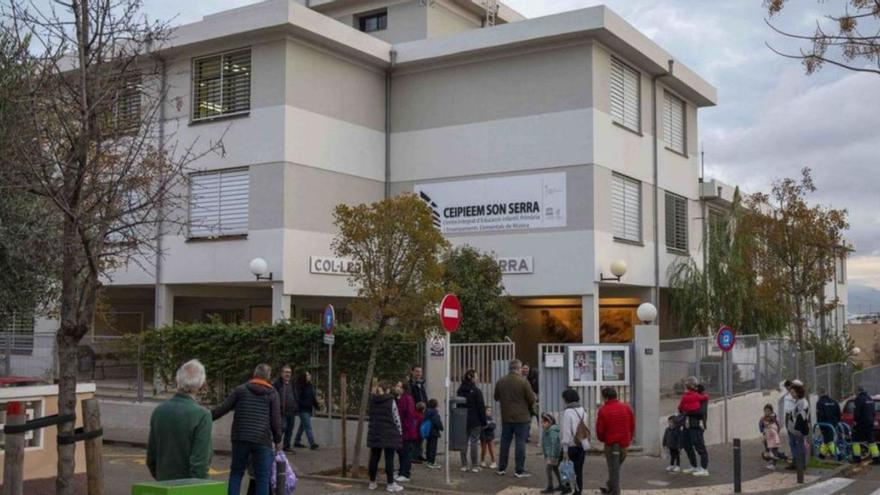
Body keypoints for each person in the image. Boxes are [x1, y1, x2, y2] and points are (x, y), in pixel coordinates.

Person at [212, 363, 282, 495]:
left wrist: (205, 417)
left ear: (254, 374)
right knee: (262, 477)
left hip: (240, 437)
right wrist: (278, 440)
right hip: (262, 440)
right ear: (268, 377)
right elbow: (275, 420)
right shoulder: (272, 394)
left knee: (237, 473)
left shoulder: (241, 390)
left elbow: (223, 408)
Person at [147, 359, 212, 481]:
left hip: (163, 483)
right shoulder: (202, 415)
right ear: (201, 385)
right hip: (188, 486)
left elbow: (151, 457)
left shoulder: (159, 411)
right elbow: (200, 464)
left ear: (177, 380)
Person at [494, 359, 537, 478]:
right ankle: (519, 470)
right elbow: (532, 400)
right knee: (520, 443)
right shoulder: (523, 382)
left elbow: (496, 397)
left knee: (505, 442)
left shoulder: (501, 381)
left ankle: (501, 468)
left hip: (506, 417)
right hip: (522, 418)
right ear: (518, 369)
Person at [596, 387, 635, 495]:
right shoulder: (626, 408)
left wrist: (603, 439)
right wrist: (629, 438)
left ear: (606, 397)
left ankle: (613, 489)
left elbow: (600, 429)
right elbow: (632, 425)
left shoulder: (603, 410)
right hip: (623, 443)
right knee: (616, 467)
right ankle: (611, 488)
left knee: (612, 467)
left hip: (610, 443)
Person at [367, 381, 404, 492]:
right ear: (387, 390)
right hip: (389, 433)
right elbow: (396, 416)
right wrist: (400, 432)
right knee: (389, 459)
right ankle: (390, 484)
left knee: (374, 458)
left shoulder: (372, 400)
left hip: (375, 432)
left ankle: (372, 482)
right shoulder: (390, 401)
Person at [678, 376, 709, 477]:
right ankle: (694, 465)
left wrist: (688, 412)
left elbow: (701, 412)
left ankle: (704, 468)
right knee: (687, 445)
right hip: (687, 424)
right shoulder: (689, 396)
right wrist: (686, 411)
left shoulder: (701, 398)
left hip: (696, 425)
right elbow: (680, 408)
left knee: (699, 445)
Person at [457, 369, 487, 473]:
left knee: (463, 442)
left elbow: (458, 405)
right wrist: (484, 422)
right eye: (476, 376)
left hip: (462, 419)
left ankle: (464, 464)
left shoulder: (460, 390)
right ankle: (474, 465)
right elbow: (481, 408)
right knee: (474, 442)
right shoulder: (476, 391)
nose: (478, 378)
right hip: (475, 420)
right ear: (472, 378)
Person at [560, 389, 588, 495]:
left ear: (567, 399)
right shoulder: (582, 409)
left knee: (564, 466)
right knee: (578, 470)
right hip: (582, 444)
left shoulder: (568, 411)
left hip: (571, 445)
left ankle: (566, 487)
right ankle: (578, 490)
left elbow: (566, 431)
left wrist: (565, 449)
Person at [395, 381, 418, 483]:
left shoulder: (407, 398)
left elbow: (409, 415)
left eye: (399, 386)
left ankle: (406, 474)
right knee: (401, 452)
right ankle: (401, 472)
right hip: (400, 430)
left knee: (406, 452)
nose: (396, 388)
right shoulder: (398, 398)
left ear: (404, 388)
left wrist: (405, 427)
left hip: (406, 431)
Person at [272, 365, 298, 452]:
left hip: (291, 411)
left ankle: (287, 446)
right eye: (286, 372)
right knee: (281, 429)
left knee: (290, 430)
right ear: (281, 373)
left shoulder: (292, 383)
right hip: (281, 411)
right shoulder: (277, 384)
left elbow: (295, 395)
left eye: (289, 372)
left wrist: (295, 405)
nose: (288, 374)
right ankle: (275, 445)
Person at [786, 383, 811, 471]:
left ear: (798, 392)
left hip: (798, 430)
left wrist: (797, 429)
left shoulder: (802, 402)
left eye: (793, 392)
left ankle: (800, 464)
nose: (791, 394)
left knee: (800, 446)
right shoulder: (798, 401)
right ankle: (796, 463)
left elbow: (801, 417)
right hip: (794, 429)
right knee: (795, 446)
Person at [852, 387, 880, 464]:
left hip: (861, 424)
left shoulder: (858, 399)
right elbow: (873, 412)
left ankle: (857, 458)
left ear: (858, 391)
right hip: (870, 424)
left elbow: (856, 413)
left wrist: (855, 421)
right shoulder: (870, 399)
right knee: (872, 441)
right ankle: (876, 459)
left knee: (855, 441)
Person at [294, 371, 319, 450]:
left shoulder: (310, 386)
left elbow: (312, 396)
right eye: (308, 375)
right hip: (303, 409)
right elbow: (298, 398)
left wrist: (316, 405)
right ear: (304, 377)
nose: (309, 376)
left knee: (302, 426)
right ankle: (312, 443)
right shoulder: (300, 386)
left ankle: (296, 441)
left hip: (308, 409)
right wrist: (302, 404)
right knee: (308, 426)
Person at [409, 365, 429, 462]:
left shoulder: (420, 384)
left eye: (420, 372)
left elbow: (424, 397)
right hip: (415, 413)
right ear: (412, 372)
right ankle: (413, 455)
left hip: (422, 413)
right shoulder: (410, 385)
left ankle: (419, 453)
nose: (419, 374)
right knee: (414, 434)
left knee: (421, 434)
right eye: (417, 371)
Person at [540, 413, 564, 494]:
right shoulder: (546, 430)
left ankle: (550, 487)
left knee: (548, 469)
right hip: (550, 454)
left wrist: (552, 456)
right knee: (555, 468)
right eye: (542, 422)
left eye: (544, 422)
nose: (542, 424)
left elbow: (554, 444)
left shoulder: (552, 431)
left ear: (549, 422)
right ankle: (561, 484)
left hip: (553, 455)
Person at [816, 388, 841, 459]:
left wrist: (821, 427)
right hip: (833, 424)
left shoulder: (820, 402)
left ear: (820, 393)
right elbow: (839, 413)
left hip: (825, 425)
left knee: (829, 441)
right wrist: (836, 422)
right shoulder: (834, 401)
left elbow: (820, 415)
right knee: (827, 440)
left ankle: (838, 455)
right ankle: (822, 455)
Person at [759, 404, 784, 470]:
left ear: (771, 411)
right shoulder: (763, 418)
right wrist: (763, 431)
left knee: (774, 451)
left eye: (768, 411)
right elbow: (761, 427)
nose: (767, 413)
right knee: (768, 451)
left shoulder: (773, 418)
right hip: (767, 438)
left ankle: (774, 464)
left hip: (773, 438)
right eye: (765, 411)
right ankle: (773, 460)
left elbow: (777, 427)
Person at [424, 398, 444, 469]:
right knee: (433, 447)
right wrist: (441, 427)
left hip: (428, 431)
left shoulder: (427, 411)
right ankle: (431, 462)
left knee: (428, 446)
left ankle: (428, 460)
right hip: (433, 432)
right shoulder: (434, 412)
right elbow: (437, 421)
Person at [780, 380, 797, 460]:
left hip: (792, 415)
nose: (788, 388)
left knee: (793, 435)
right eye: (787, 387)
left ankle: (795, 454)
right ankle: (793, 452)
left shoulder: (794, 394)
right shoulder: (786, 394)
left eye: (789, 387)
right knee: (790, 435)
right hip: (787, 415)